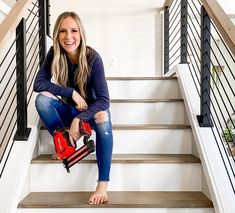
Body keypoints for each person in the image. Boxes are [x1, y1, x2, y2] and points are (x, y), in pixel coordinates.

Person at [33, 11, 113, 205]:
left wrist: (81, 118)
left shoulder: (93, 58)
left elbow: (104, 100)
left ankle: (103, 184)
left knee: (103, 119)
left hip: (92, 113)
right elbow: (38, 84)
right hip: (69, 110)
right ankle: (64, 143)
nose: (68, 37)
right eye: (62, 31)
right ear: (57, 35)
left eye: (73, 31)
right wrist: (70, 92)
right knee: (42, 100)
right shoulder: (54, 54)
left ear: (81, 33)